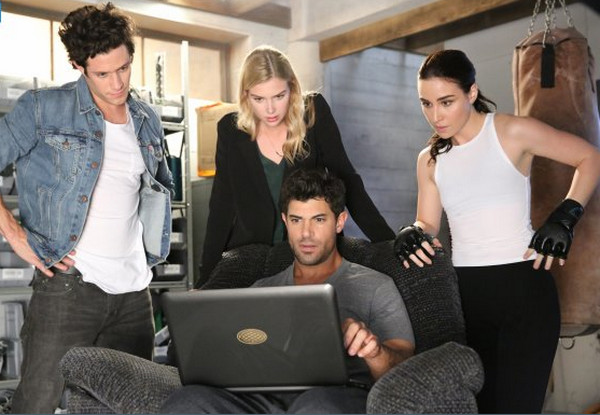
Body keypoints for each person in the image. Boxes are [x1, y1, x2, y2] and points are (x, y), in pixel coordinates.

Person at [393, 49, 600, 414]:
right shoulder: (429, 159)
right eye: (426, 103)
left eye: (446, 102)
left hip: (524, 290)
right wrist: (412, 231)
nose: (435, 115)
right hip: (466, 295)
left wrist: (566, 214)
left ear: (471, 92)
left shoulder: (511, 132)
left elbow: (590, 157)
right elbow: (428, 222)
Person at [0, 3, 174, 413]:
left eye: (124, 68)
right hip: (68, 287)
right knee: (37, 405)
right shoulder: (42, 108)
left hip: (133, 292)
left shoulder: (146, 119)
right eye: (102, 74)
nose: (117, 83)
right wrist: (15, 234)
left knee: (130, 406)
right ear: (79, 66)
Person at [162, 168, 414, 413]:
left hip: (337, 397)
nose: (306, 234)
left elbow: (404, 368)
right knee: (187, 401)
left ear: (339, 222)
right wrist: (203, 324)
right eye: (296, 220)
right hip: (263, 399)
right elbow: (237, 358)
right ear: (285, 221)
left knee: (315, 407)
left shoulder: (376, 286)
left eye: (318, 220)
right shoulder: (261, 291)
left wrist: (375, 351)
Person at [200, 45, 394, 284]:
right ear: (245, 95)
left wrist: (388, 244)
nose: (270, 109)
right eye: (258, 99)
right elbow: (221, 207)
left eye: (279, 96)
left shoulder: (313, 112)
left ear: (292, 88)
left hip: (310, 251)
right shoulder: (231, 130)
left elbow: (347, 180)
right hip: (250, 253)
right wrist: (205, 278)